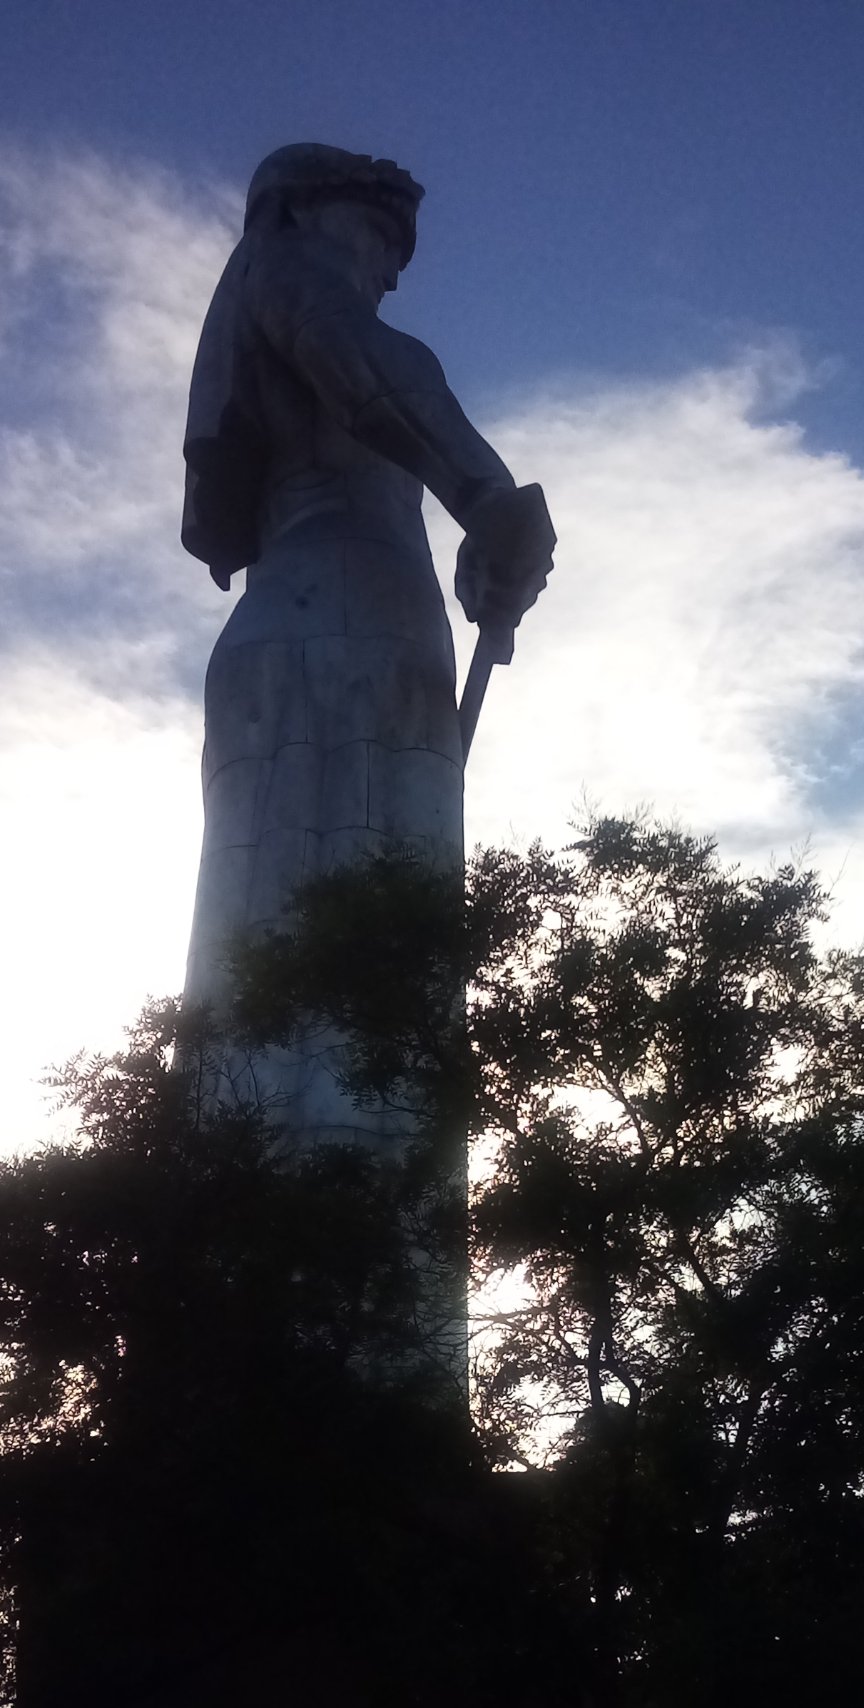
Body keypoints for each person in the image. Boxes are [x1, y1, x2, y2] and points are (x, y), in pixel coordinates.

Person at [180, 142, 554, 1144]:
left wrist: (485, 567)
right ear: (296, 214)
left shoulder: (329, 323)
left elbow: (387, 434)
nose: (393, 268)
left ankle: (361, 1278)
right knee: (299, 1000)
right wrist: (485, 498)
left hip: (364, 631)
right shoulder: (286, 276)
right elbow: (370, 380)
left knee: (384, 1002)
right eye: (379, 234)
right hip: (333, 639)